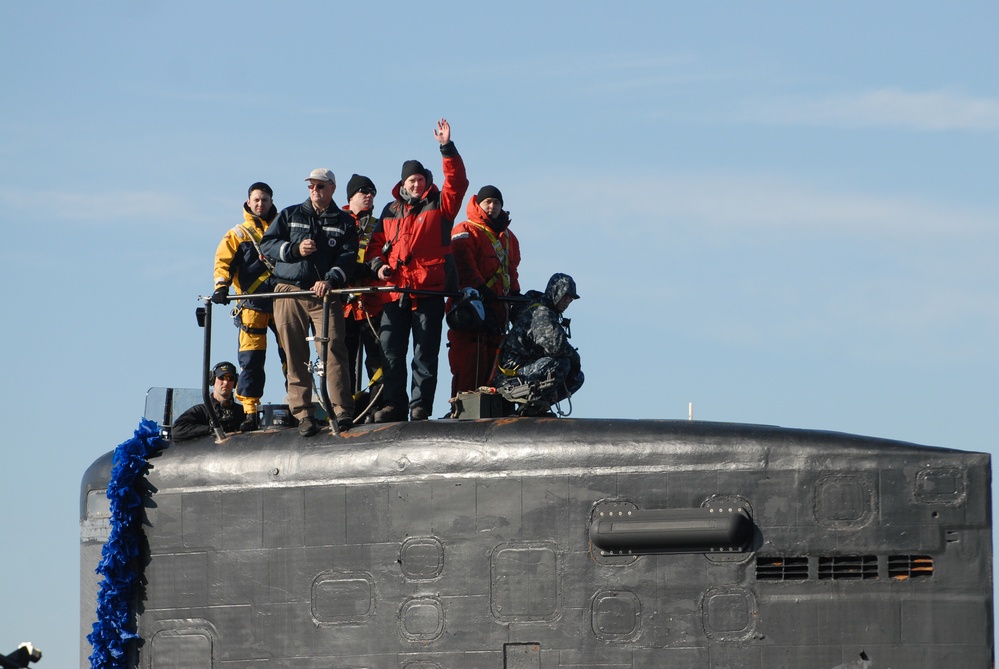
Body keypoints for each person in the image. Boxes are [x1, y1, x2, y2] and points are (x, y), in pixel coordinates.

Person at [366, 118, 469, 422]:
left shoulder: (440, 205)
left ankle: (419, 406)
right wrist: (379, 267)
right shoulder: (389, 211)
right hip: (394, 293)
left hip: (428, 291)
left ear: (426, 181)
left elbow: (458, 182)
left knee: (424, 355)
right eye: (411, 180)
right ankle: (394, 405)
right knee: (392, 355)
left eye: (420, 179)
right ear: (403, 183)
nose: (416, 183)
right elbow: (375, 245)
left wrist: (446, 148)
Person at [260, 168, 358, 437]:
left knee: (333, 352)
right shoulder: (291, 214)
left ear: (332, 189)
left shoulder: (345, 222)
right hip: (288, 292)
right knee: (294, 354)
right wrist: (294, 250)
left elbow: (348, 258)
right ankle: (303, 414)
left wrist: (330, 280)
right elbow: (267, 245)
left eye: (320, 186)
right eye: (311, 186)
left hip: (324, 296)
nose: (315, 190)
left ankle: (341, 411)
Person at [211, 181, 286, 432]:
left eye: (264, 199)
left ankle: (298, 406)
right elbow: (222, 262)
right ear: (249, 201)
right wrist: (221, 287)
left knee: (293, 358)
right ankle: (250, 412)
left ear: (271, 201)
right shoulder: (237, 234)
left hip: (281, 303)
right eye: (256, 200)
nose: (260, 204)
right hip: (252, 306)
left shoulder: (283, 229)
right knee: (251, 361)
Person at [446, 185, 521, 399]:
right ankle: (461, 409)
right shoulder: (465, 231)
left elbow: (511, 271)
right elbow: (463, 267)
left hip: (497, 313)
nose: (492, 206)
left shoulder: (509, 238)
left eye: (496, 203)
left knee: (495, 369)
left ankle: (490, 411)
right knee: (469, 364)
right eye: (487, 202)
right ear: (478, 204)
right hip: (471, 313)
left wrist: (515, 298)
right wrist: (481, 290)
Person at [494, 273, 584, 414]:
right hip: (511, 378)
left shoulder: (546, 311)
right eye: (565, 296)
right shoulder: (542, 313)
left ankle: (539, 404)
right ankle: (532, 406)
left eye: (571, 298)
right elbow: (556, 347)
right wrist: (576, 359)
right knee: (561, 364)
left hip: (525, 370)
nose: (568, 301)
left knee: (577, 377)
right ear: (556, 292)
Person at [342, 174, 384, 420]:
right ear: (351, 197)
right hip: (344, 304)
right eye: (363, 192)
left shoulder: (380, 225)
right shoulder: (338, 222)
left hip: (371, 304)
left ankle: (376, 407)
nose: (369, 196)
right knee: (344, 361)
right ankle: (345, 408)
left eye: (372, 192)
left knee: (377, 359)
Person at [172, 361, 246, 441]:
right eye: (221, 377)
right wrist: (211, 429)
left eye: (230, 378)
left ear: (235, 383)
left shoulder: (243, 412)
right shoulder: (201, 411)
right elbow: (177, 430)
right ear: (212, 379)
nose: (226, 382)